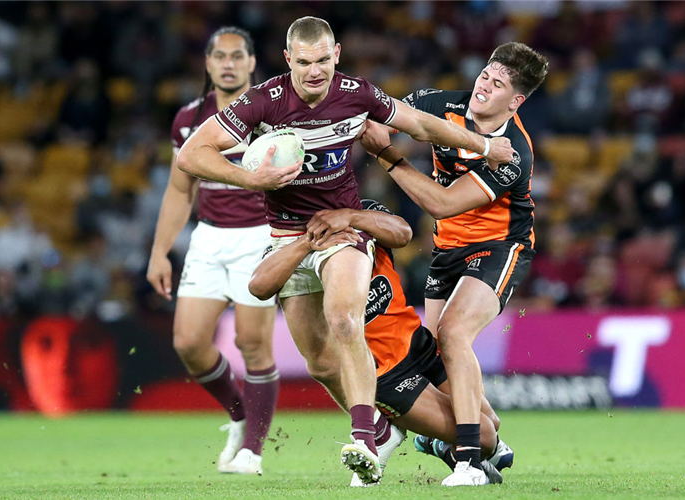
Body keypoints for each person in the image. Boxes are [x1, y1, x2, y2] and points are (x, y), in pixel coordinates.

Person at [177, 16, 514, 485]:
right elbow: (191, 155)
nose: (315, 72)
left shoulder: (356, 94)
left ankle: (362, 441)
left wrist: (483, 145)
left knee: (342, 318)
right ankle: (382, 430)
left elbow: (418, 125)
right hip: (288, 238)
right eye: (304, 63)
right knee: (318, 362)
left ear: (336, 55)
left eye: (323, 61)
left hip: (341, 230)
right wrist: (251, 178)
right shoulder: (264, 102)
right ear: (288, 60)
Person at [360, 42, 549, 486]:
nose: (484, 85)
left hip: (500, 246)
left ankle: (467, 459)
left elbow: (443, 204)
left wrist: (387, 157)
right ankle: (485, 441)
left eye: (498, 84)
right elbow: (380, 120)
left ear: (515, 101)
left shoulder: (513, 152)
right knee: (436, 350)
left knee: (455, 332)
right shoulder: (439, 103)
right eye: (485, 74)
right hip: (448, 249)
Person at [248, 200, 513, 486]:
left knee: (493, 424)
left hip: (417, 343)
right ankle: (404, 432)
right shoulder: (288, 238)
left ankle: (432, 440)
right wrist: (307, 243)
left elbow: (402, 233)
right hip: (386, 374)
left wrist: (352, 217)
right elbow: (259, 285)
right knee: (484, 436)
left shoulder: (362, 211)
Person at [146, 27, 278, 476]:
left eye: (237, 56)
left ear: (252, 62)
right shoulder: (188, 119)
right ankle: (241, 416)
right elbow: (179, 191)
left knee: (252, 343)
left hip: (260, 234)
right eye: (219, 56)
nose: (228, 63)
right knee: (188, 343)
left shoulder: (272, 115)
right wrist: (159, 252)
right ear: (207, 63)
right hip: (208, 236)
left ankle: (253, 454)